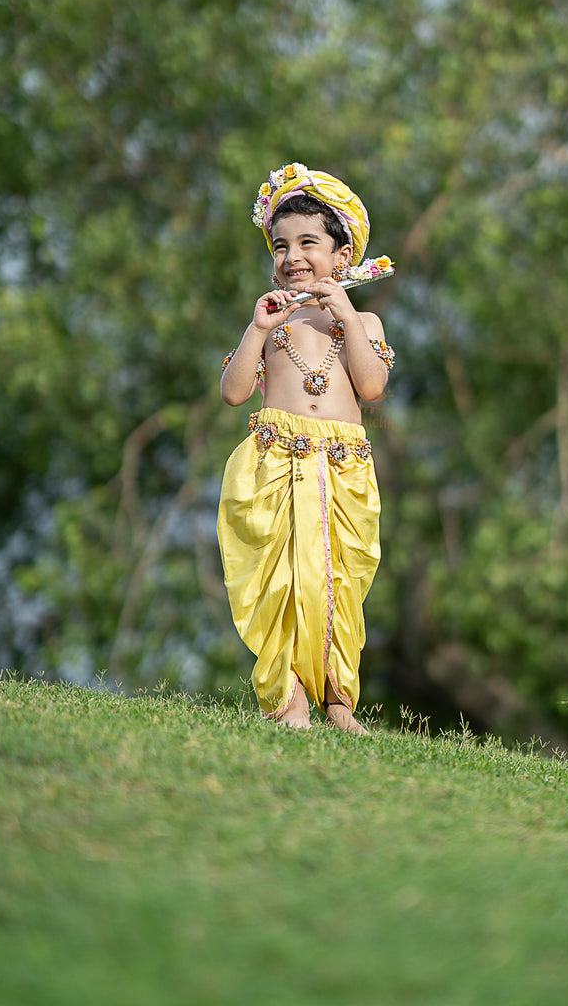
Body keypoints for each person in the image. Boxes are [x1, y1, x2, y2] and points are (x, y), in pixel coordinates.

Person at [217, 162, 394, 734]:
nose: (292, 256)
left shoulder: (362, 319)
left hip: (341, 468)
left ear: (342, 256)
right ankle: (288, 700)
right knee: (282, 582)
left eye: (307, 242)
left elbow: (372, 388)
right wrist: (257, 329)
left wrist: (344, 313)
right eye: (280, 245)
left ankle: (340, 705)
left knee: (338, 581)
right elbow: (234, 392)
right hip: (276, 461)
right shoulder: (274, 321)